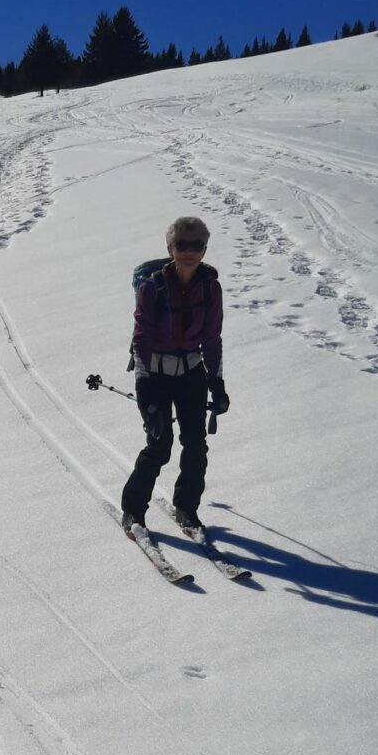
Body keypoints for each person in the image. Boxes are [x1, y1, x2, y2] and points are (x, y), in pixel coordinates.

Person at [121, 216, 229, 534]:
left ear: (204, 250)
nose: (189, 252)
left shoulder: (211, 289)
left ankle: (187, 509)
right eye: (182, 245)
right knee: (159, 443)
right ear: (170, 248)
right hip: (155, 375)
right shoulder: (152, 287)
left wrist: (217, 384)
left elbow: (212, 339)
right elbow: (141, 340)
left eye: (196, 245)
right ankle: (132, 512)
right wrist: (146, 393)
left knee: (196, 444)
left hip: (191, 375)